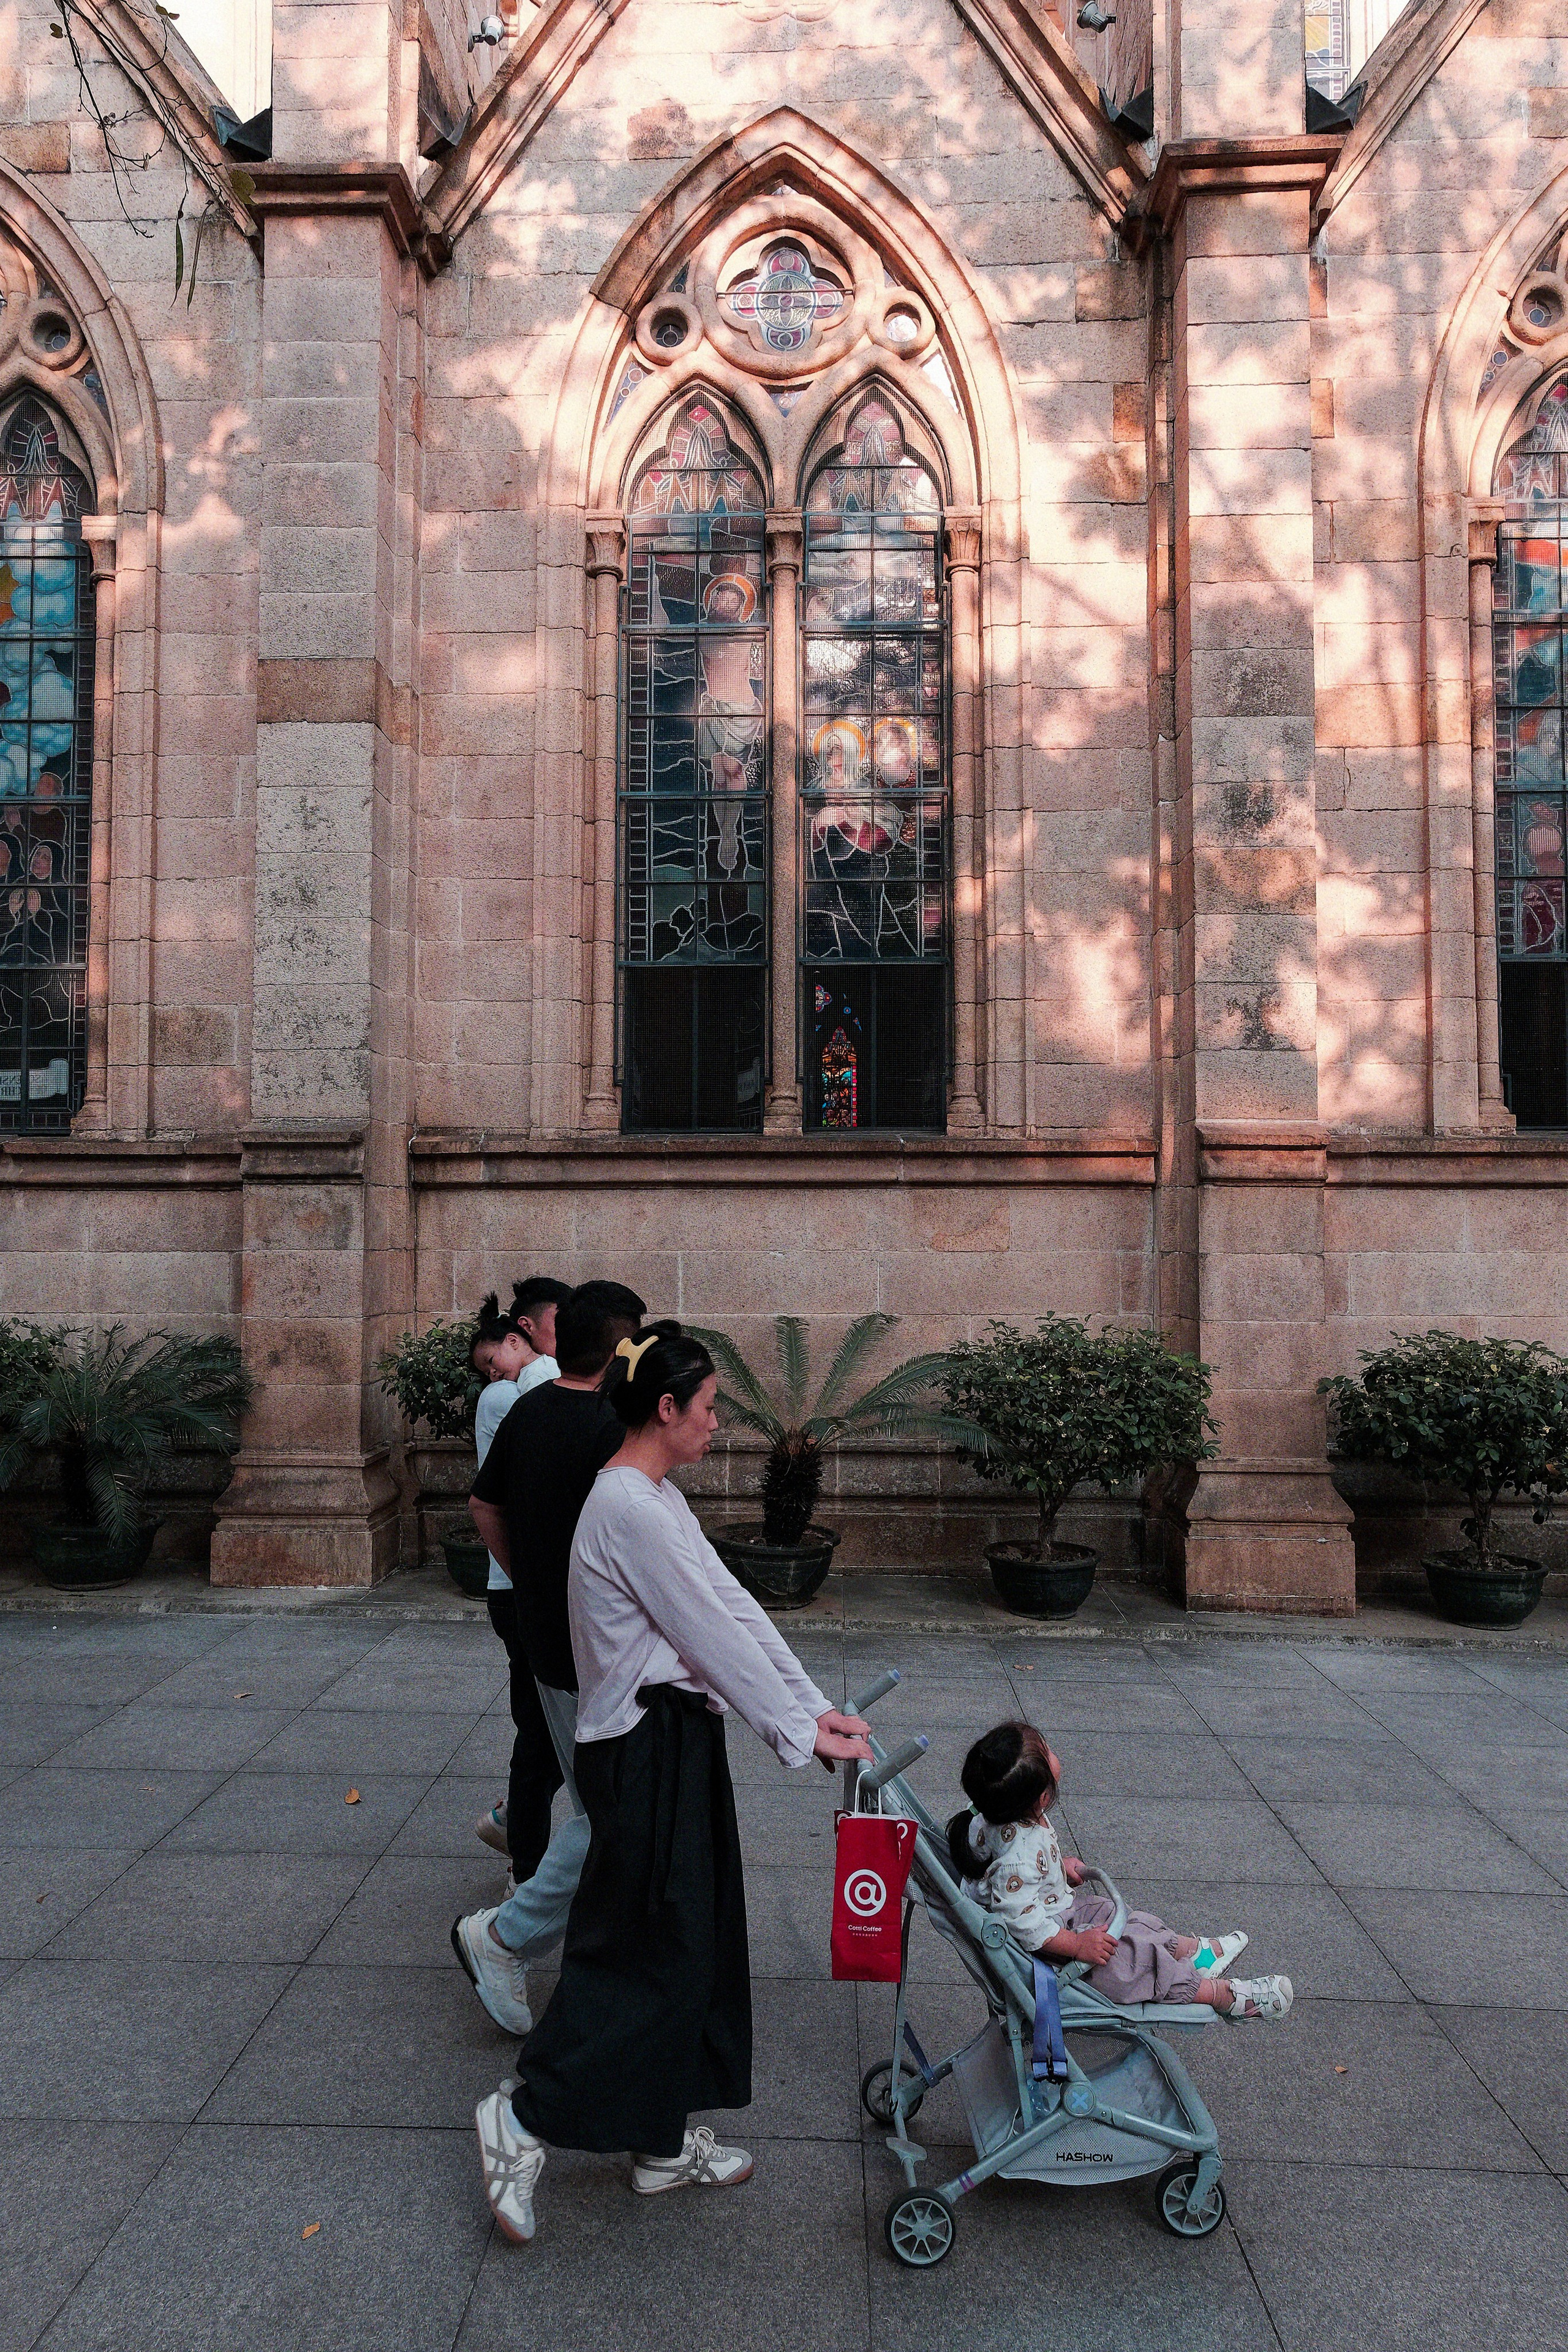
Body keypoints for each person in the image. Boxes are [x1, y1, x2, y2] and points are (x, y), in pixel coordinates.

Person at [472, 1322, 872, 2244]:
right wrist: (795, 1730)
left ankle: (657, 2142)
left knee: (696, 1945)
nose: (716, 1423)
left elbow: (731, 1604)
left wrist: (813, 1706)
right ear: (665, 1407)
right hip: (641, 1751)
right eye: (708, 1407)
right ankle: (522, 2117)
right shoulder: (630, 1508)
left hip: (675, 1742)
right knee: (644, 1953)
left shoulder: (653, 1496)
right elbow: (708, 1635)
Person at [453, 1278, 647, 2034]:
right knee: (610, 1807)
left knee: (601, 1800)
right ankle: (507, 1935)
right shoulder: (609, 1426)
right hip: (591, 1650)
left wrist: (531, 1580)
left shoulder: (529, 1408)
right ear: (622, 1348)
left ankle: (582, 1932)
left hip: (549, 1637)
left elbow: (483, 1503)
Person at [946, 1722, 1292, 2021]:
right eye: (1048, 1751)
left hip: (1057, 1908)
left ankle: (1194, 1953)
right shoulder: (1019, 1860)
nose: (1053, 1753)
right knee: (1129, 1964)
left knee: (1127, 1918)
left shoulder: (996, 1812)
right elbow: (1024, 1922)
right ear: (1042, 1798)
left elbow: (1008, 1873)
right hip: (1049, 1945)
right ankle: (1223, 1996)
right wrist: (1077, 1945)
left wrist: (1056, 1869)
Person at [469, 1278, 574, 1880]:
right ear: (526, 1330)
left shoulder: (534, 1383)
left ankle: (516, 1821)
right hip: (522, 1588)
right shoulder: (515, 1393)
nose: (492, 1375)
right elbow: (493, 1502)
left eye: (493, 1363)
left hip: (530, 1586)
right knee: (543, 1729)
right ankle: (525, 1863)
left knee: (554, 1724)